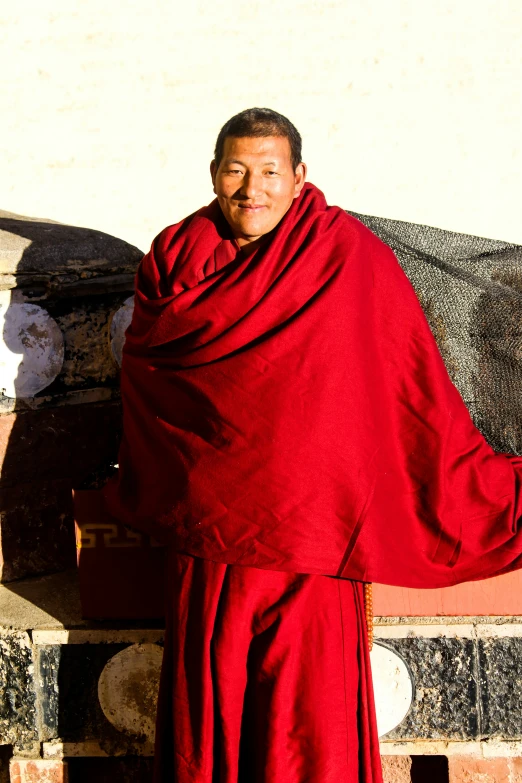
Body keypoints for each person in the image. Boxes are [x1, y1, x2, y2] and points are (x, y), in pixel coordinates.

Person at [103, 108, 522, 783]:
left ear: (300, 177)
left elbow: (403, 378)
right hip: (213, 537)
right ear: (213, 175)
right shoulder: (176, 261)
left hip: (317, 540)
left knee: (309, 722)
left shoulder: (343, 253)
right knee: (217, 709)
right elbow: (154, 392)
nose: (252, 189)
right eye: (236, 171)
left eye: (270, 171)